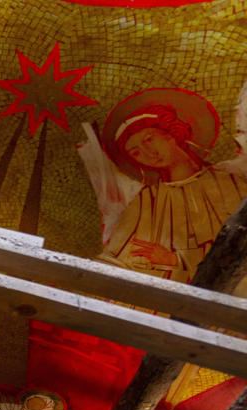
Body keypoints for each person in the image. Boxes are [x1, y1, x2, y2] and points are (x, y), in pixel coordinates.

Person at [99, 97, 247, 283]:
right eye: (136, 152)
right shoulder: (148, 199)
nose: (148, 153)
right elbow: (115, 253)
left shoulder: (228, 182)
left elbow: (238, 248)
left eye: (149, 139)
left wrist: (176, 259)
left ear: (170, 133)